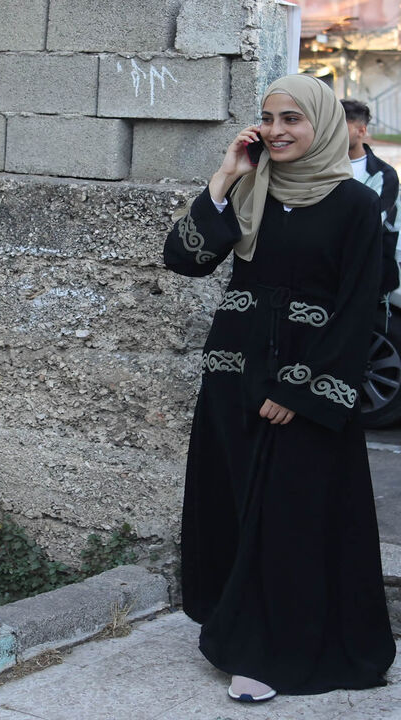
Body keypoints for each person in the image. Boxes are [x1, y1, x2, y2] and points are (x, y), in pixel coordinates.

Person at [163, 74, 395, 703]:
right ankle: (240, 630)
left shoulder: (355, 205)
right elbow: (185, 258)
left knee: (292, 518)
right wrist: (225, 174)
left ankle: (277, 650)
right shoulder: (252, 192)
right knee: (235, 507)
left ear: (320, 125)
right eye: (267, 118)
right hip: (234, 378)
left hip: (305, 386)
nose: (276, 130)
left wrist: (301, 390)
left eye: (292, 118)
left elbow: (357, 310)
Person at [342, 98, 400, 294]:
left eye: (343, 127)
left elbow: (373, 221)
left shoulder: (384, 175)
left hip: (368, 278)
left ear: (362, 130)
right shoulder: (323, 168)